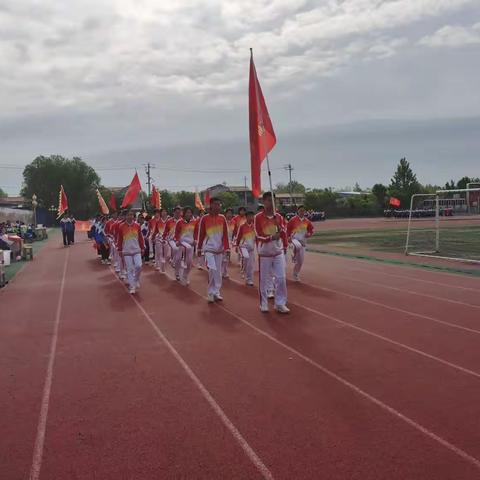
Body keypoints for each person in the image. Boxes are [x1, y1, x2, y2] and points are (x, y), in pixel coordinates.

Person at [254, 192, 289, 314]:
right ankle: (263, 303)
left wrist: (280, 229)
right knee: (263, 280)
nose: (271, 203)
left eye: (273, 201)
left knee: (281, 278)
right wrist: (270, 238)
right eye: (268, 200)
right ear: (264, 202)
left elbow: (283, 232)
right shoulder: (258, 217)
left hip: (277, 252)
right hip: (265, 253)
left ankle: (280, 303)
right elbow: (257, 235)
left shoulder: (278, 216)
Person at [197, 197, 230, 303]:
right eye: (216, 204)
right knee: (212, 270)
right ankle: (211, 292)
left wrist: (227, 248)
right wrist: (199, 248)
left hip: (219, 249)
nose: (218, 206)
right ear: (210, 205)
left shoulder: (222, 218)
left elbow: (225, 235)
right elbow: (201, 234)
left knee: (218, 272)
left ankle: (216, 292)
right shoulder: (205, 218)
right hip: (209, 249)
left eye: (219, 204)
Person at [117, 210, 145, 294]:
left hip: (136, 249)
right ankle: (132, 286)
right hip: (126, 251)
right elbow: (120, 239)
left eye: (132, 215)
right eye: (128, 215)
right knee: (129, 269)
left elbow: (140, 237)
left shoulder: (137, 225)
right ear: (125, 216)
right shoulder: (121, 226)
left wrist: (142, 247)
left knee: (139, 266)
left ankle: (136, 279)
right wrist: (119, 249)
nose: (130, 216)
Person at [287, 205, 314, 281]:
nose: (302, 212)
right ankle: (293, 256)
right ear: (297, 211)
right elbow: (288, 230)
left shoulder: (307, 221)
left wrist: (308, 234)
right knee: (297, 246)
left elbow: (311, 230)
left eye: (303, 211)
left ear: (305, 212)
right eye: (300, 210)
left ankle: (296, 273)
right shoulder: (293, 220)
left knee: (301, 261)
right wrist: (288, 237)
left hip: (303, 242)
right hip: (294, 240)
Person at [174, 206, 197, 286]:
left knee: (189, 262)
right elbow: (176, 233)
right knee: (178, 259)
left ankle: (185, 275)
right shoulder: (179, 222)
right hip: (181, 243)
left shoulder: (194, 221)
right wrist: (177, 240)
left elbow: (196, 232)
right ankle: (177, 272)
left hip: (190, 244)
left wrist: (195, 240)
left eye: (190, 212)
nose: (189, 214)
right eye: (187, 212)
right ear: (184, 213)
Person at [235, 210, 256, 286]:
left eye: (252, 216)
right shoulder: (242, 226)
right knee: (246, 258)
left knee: (250, 265)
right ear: (246, 217)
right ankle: (243, 269)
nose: (251, 218)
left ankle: (249, 279)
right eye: (249, 216)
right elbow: (238, 236)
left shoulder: (255, 227)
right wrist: (237, 245)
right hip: (243, 246)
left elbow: (257, 238)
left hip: (251, 248)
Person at [222, 208, 235, 279]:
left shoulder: (233, 222)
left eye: (230, 213)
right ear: (225, 214)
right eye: (228, 213)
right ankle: (221, 271)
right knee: (222, 258)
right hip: (222, 241)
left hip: (229, 242)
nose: (229, 215)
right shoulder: (223, 221)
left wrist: (233, 240)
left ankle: (225, 272)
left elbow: (234, 232)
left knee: (226, 258)